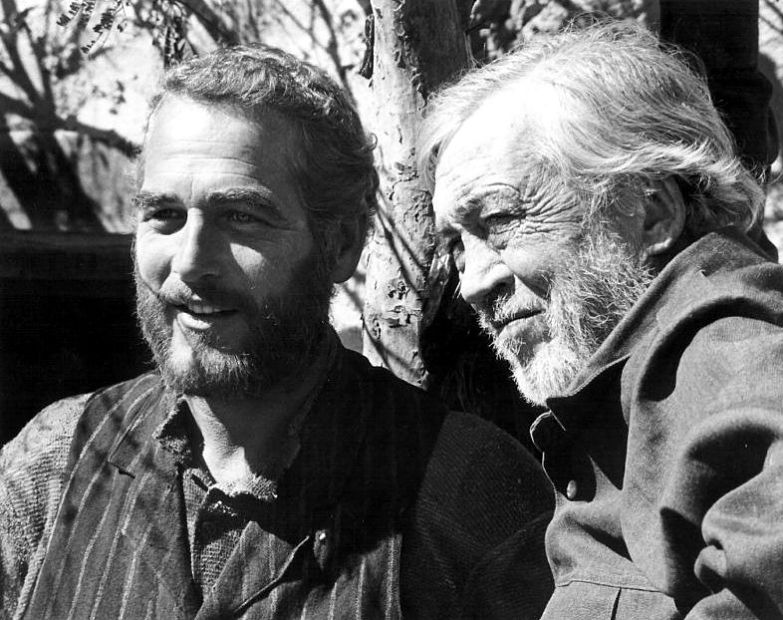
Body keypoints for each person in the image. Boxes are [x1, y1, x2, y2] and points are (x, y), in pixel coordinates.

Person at [0, 45, 554, 619]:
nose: (189, 263)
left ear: (341, 245)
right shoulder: (56, 457)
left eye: (241, 217)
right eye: (164, 215)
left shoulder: (468, 489)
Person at [420, 21, 783, 619]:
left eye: (502, 219)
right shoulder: (619, 404)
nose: (474, 283)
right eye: (458, 246)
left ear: (652, 213)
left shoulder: (738, 365)